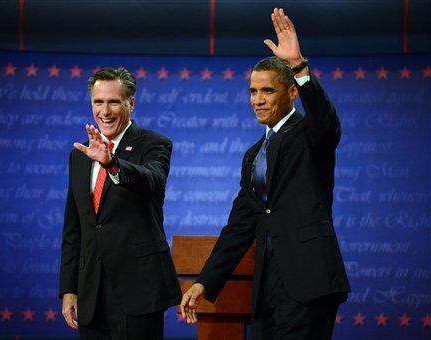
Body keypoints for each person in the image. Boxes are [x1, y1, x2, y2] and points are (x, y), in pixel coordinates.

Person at [180, 8, 350, 340]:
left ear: (292, 93)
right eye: (253, 92)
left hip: (309, 284)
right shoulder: (252, 155)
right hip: (266, 290)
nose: (257, 100)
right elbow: (240, 225)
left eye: (267, 91)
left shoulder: (310, 134)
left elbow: (326, 123)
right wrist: (204, 280)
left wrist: (299, 66)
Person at [59, 67, 182, 339]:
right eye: (98, 102)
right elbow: (74, 227)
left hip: (138, 290)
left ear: (131, 103)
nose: (105, 111)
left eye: (114, 102)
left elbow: (152, 180)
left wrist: (112, 164)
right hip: (91, 292)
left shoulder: (155, 144)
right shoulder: (79, 156)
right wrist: (69, 288)